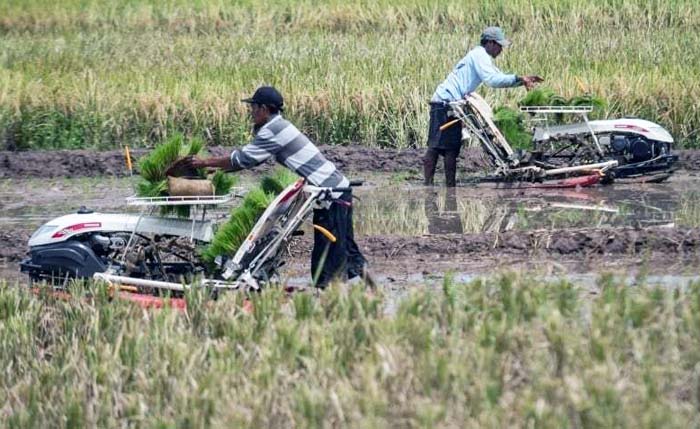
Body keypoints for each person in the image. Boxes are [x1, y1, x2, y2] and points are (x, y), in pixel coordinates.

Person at [183, 86, 374, 289]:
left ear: (264, 108)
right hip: (337, 189)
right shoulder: (279, 126)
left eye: (253, 107)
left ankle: (332, 302)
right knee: (346, 248)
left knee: (329, 256)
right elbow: (249, 161)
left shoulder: (273, 130)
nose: (251, 112)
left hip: (330, 194)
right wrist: (216, 171)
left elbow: (243, 159)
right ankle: (374, 292)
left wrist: (204, 163)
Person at [424, 26, 543, 187]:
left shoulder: (482, 57)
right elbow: (492, 80)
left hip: (454, 103)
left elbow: (498, 76)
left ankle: (450, 188)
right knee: (436, 147)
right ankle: (429, 186)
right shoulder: (479, 55)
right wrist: (519, 79)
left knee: (451, 149)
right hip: (444, 102)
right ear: (490, 43)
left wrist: (521, 80)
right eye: (499, 45)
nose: (501, 49)